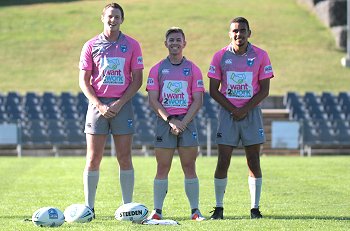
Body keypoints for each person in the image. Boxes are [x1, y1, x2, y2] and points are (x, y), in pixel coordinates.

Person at [78, 3, 144, 217]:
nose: (113, 20)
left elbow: (137, 80)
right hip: (97, 106)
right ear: (102, 18)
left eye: (117, 16)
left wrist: (119, 103)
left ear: (122, 20)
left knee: (124, 158)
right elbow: (84, 81)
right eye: (109, 16)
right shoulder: (90, 45)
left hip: (122, 106)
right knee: (92, 159)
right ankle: (89, 208)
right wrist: (99, 105)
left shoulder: (132, 45)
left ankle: (127, 208)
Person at [207, 17, 274, 219]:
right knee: (223, 160)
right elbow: (213, 90)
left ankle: (255, 208)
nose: (239, 34)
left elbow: (264, 90)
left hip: (251, 113)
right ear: (230, 34)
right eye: (235, 31)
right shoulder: (219, 56)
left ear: (249, 33)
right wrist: (234, 109)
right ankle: (219, 208)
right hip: (227, 114)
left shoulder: (261, 55)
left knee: (253, 160)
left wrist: (244, 109)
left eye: (242, 30)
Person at [146, 27, 205, 221]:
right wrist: (171, 121)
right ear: (166, 43)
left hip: (187, 122)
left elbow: (198, 100)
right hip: (165, 123)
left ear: (184, 43)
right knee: (162, 167)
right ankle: (157, 211)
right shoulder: (157, 69)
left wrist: (183, 123)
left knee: (189, 167)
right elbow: (153, 100)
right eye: (171, 40)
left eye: (178, 40)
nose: (175, 43)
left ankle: (195, 212)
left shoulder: (194, 69)